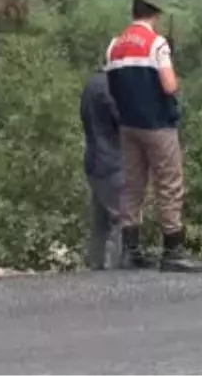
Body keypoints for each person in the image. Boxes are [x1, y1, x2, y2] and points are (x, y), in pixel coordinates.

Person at [104, 0, 202, 273]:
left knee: (133, 187)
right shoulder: (156, 43)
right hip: (158, 125)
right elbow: (169, 85)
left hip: (128, 126)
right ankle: (172, 252)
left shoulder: (114, 46)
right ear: (154, 14)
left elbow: (112, 88)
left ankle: (131, 251)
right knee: (169, 184)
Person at [79, 70, 122, 270]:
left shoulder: (91, 85)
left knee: (99, 221)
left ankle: (95, 266)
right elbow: (120, 119)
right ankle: (115, 269)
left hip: (93, 160)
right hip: (112, 160)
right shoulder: (111, 88)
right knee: (121, 219)